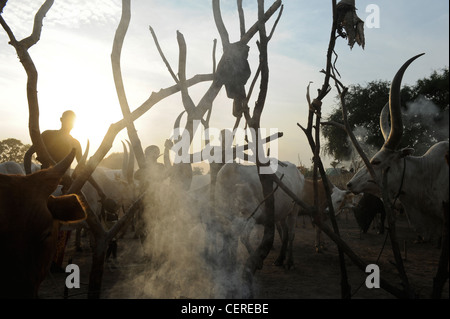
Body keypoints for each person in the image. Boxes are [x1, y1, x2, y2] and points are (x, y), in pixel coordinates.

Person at [24, 110, 107, 271]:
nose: (69, 124)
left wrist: (100, 190)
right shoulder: (47, 135)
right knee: (38, 223)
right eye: (67, 120)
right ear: (61, 120)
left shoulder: (75, 143)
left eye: (72, 121)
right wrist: (29, 179)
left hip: (64, 188)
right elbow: (28, 155)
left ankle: (54, 262)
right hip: (43, 186)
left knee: (63, 225)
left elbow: (81, 170)